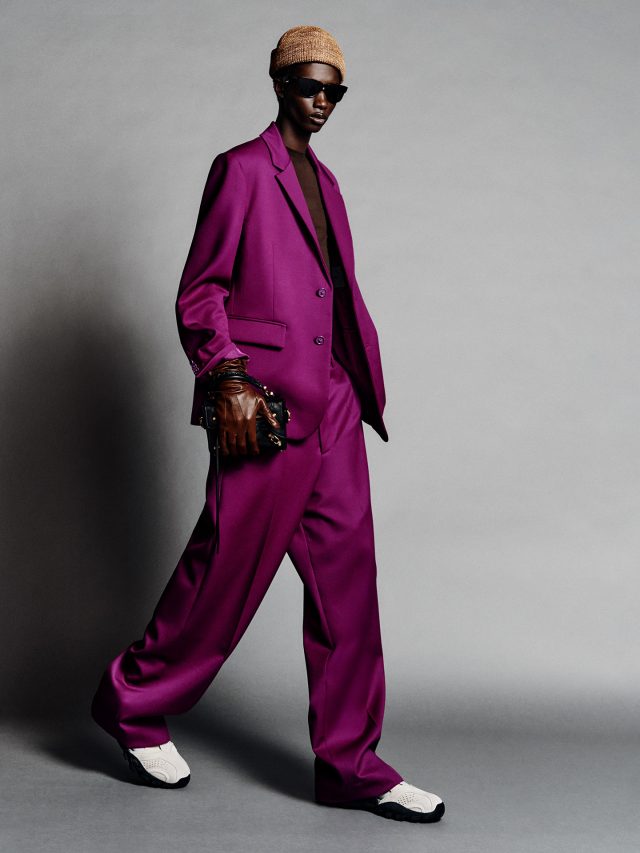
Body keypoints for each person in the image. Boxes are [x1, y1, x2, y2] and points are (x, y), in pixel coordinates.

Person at [90, 25, 445, 824]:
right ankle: (130, 700)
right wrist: (228, 374)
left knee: (350, 588)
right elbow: (201, 289)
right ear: (280, 84)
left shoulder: (332, 183)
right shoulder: (242, 169)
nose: (322, 102)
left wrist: (354, 380)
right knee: (226, 571)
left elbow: (329, 295)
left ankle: (351, 764)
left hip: (335, 405)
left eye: (334, 92)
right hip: (266, 408)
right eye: (309, 86)